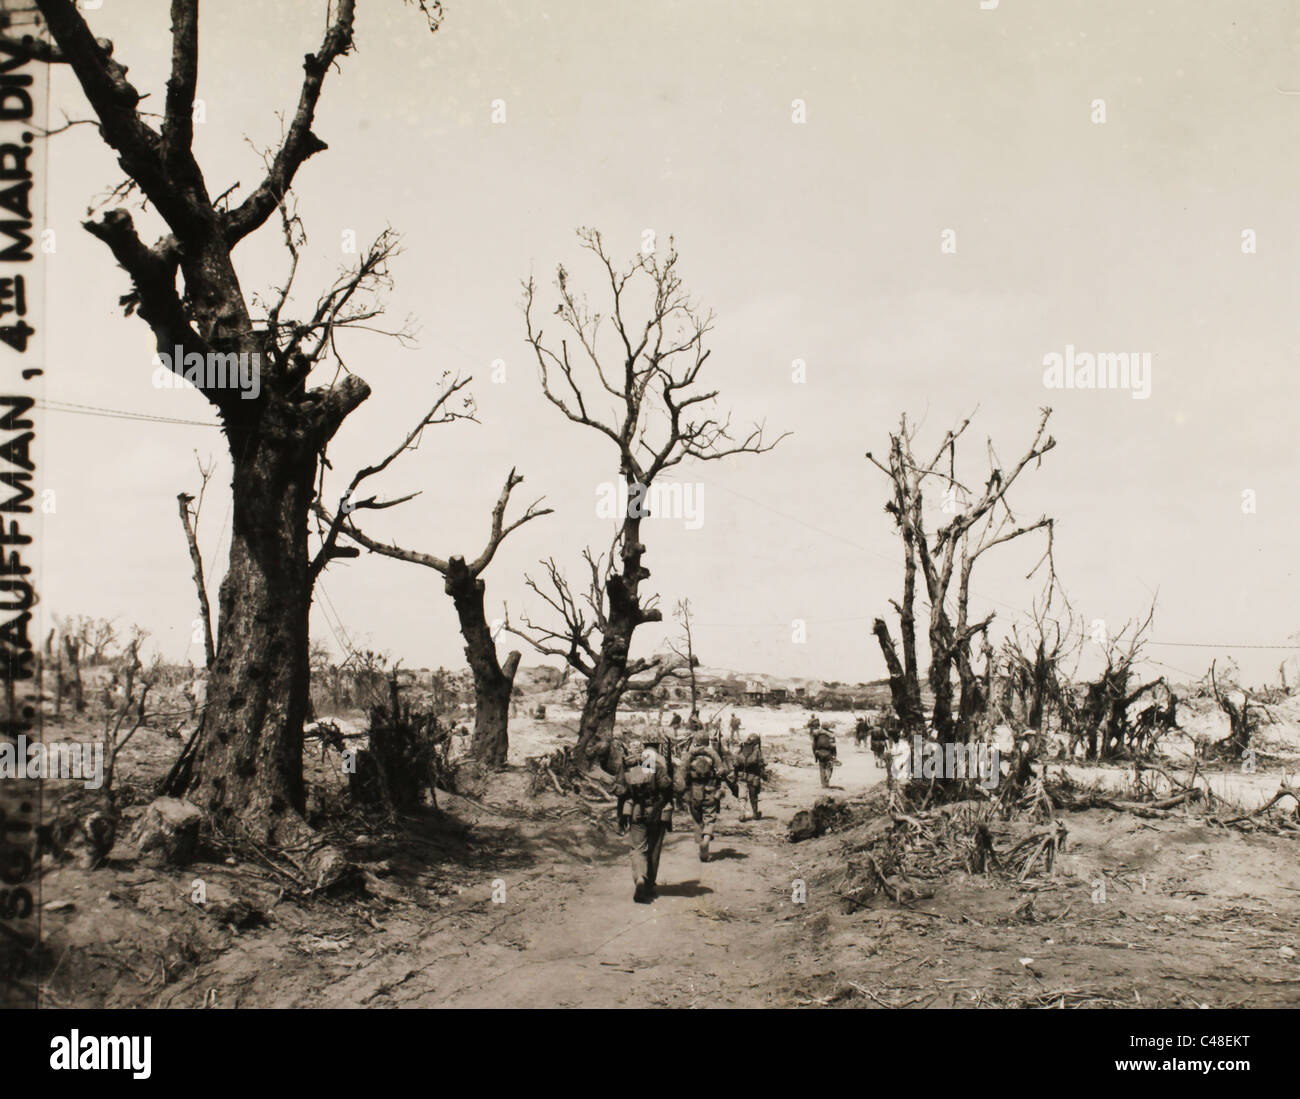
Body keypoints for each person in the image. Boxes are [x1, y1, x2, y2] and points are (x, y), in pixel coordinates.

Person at [614, 734, 675, 903]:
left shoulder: (626, 767)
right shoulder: (652, 765)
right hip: (656, 811)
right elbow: (666, 785)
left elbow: (619, 791)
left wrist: (621, 815)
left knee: (637, 848)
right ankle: (649, 885)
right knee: (654, 848)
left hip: (635, 811)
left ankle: (640, 877)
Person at [676, 731, 735, 863]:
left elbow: (682, 775)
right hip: (711, 790)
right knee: (710, 818)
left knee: (697, 819)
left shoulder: (688, 755)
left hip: (693, 792)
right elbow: (722, 771)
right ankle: (707, 838)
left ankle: (700, 842)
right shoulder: (713, 754)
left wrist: (681, 793)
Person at [734, 732, 765, 821]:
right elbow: (761, 764)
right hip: (753, 776)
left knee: (742, 796)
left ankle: (742, 814)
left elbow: (735, 764)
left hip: (742, 776)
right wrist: (763, 775)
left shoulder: (741, 749)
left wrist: (735, 776)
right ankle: (755, 814)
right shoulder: (757, 751)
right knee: (753, 795)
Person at [810, 722, 837, 787]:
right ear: (828, 727)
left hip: (819, 752)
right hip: (828, 753)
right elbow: (833, 746)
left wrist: (815, 754)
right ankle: (827, 779)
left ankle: (823, 784)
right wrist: (834, 755)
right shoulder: (831, 734)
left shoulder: (817, 734)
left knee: (821, 767)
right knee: (829, 767)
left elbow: (813, 745)